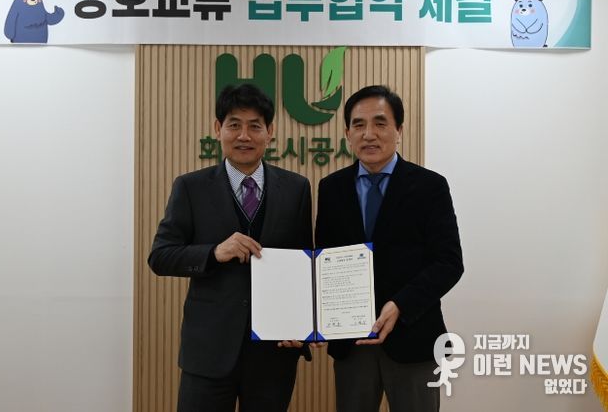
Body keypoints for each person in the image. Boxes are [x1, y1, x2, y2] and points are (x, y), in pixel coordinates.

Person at [149, 83, 313, 412]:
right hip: (208, 352)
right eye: (234, 125)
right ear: (218, 129)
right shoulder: (191, 187)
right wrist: (213, 253)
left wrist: (301, 324)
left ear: (270, 132)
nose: (244, 136)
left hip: (273, 353)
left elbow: (303, 264)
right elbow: (161, 256)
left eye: (255, 126)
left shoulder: (296, 188)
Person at [315, 85, 464, 412]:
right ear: (347, 134)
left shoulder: (430, 186)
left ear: (399, 131)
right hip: (352, 342)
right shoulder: (331, 188)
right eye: (358, 125)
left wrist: (400, 305)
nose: (369, 134)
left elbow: (449, 262)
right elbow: (324, 262)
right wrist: (317, 319)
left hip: (413, 337)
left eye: (380, 123)